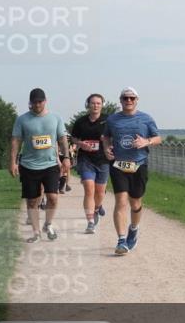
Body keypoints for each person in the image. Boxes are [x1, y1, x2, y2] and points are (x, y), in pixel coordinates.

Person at [102, 87, 161, 255]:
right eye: (125, 98)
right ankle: (121, 240)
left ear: (137, 100)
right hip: (119, 165)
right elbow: (106, 137)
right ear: (120, 100)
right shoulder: (113, 120)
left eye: (132, 98)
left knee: (135, 202)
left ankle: (133, 229)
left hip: (139, 165)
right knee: (120, 201)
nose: (128, 101)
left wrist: (146, 141)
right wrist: (106, 149)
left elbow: (158, 138)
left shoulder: (146, 119)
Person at [10, 88, 70, 242]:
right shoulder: (22, 119)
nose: (37, 105)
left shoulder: (55, 118)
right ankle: (36, 232)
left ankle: (48, 224)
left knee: (53, 197)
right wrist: (13, 162)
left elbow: (63, 139)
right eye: (34, 102)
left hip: (50, 164)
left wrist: (66, 158)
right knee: (32, 200)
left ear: (45, 101)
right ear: (30, 103)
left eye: (40, 101)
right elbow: (16, 141)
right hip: (29, 165)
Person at [71, 93, 110, 234]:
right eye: (93, 103)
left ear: (102, 105)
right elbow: (74, 138)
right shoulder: (81, 122)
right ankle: (90, 222)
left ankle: (97, 207)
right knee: (89, 188)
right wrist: (80, 143)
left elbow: (115, 135)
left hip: (103, 160)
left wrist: (106, 139)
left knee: (99, 192)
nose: (95, 105)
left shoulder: (108, 120)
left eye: (98, 103)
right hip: (85, 159)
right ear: (88, 105)